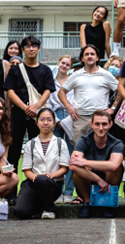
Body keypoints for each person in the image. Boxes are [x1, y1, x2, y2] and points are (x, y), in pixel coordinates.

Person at [3, 35, 55, 194]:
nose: (31, 49)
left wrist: (37, 106)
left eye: (34, 46)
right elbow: (10, 91)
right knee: (13, 151)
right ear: (23, 49)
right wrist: (24, 107)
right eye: (27, 46)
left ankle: (35, 189)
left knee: (38, 151)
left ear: (39, 49)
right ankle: (10, 191)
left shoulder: (45, 69)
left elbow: (48, 90)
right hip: (18, 113)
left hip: (38, 115)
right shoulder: (15, 69)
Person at [13, 108, 71, 220]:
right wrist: (35, 178)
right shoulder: (31, 144)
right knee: (20, 212)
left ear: (54, 123)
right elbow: (26, 169)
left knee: (43, 180)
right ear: (36, 123)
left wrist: (51, 175)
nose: (45, 123)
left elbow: (64, 168)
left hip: (53, 184)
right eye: (42, 119)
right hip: (34, 182)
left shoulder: (60, 143)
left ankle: (50, 209)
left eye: (49, 120)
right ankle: (40, 208)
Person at [69, 110, 124, 219]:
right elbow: (72, 164)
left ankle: (108, 204)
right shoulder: (83, 140)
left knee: (117, 168)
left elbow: (114, 165)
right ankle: (87, 202)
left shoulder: (116, 143)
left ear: (110, 124)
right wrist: (99, 180)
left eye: (104, 124)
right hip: (89, 179)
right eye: (97, 124)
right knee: (76, 168)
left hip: (109, 179)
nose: (101, 128)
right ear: (91, 124)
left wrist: (85, 162)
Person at [59, 45, 119, 146]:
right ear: (82, 58)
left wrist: (113, 108)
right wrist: (69, 107)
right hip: (80, 118)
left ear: (97, 58)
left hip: (101, 119)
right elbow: (61, 92)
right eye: (86, 54)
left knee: (101, 149)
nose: (89, 56)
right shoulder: (76, 75)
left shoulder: (106, 74)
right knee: (80, 151)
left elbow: (120, 91)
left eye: (92, 54)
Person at [49, 54, 77, 204]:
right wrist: (56, 120)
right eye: (63, 63)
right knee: (56, 155)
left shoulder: (73, 80)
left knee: (72, 155)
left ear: (70, 67)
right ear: (58, 63)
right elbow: (47, 100)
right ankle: (57, 191)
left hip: (71, 115)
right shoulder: (50, 80)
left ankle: (69, 192)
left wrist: (68, 118)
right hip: (55, 114)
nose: (64, 66)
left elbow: (76, 100)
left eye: (68, 64)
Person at [103, 55, 125, 142]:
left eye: (117, 66)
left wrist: (113, 108)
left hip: (119, 116)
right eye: (112, 65)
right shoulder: (103, 80)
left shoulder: (124, 83)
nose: (113, 67)